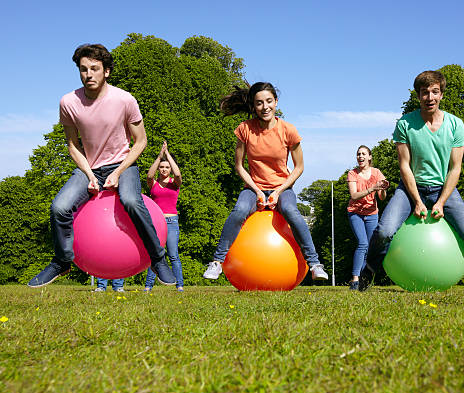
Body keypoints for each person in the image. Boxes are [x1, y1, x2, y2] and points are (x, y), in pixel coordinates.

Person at [27, 44, 175, 288]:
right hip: (90, 168)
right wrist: (89, 174)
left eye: (94, 69)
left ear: (106, 71)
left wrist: (118, 172)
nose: (88, 74)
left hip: (122, 164)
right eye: (83, 69)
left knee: (131, 201)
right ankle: (62, 261)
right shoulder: (68, 102)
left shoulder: (124, 99)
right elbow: (73, 146)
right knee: (59, 207)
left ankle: (157, 259)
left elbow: (141, 142)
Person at [361, 70, 464, 292]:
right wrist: (417, 201)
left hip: (444, 189)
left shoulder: (455, 124)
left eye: (435, 92)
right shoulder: (405, 124)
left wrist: (441, 202)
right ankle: (368, 272)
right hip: (409, 189)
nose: (430, 97)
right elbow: (404, 166)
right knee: (383, 231)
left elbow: (455, 168)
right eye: (425, 93)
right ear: (418, 95)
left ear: (441, 94)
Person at [203, 82, 328, 281]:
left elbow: (299, 167)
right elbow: (239, 167)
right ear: (254, 106)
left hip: (282, 186)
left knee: (291, 212)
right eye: (259, 103)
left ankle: (314, 264)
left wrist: (278, 191)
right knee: (240, 211)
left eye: (269, 101)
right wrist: (258, 191)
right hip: (254, 188)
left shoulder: (288, 130)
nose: (265, 107)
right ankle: (217, 262)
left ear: (276, 102)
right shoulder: (245, 129)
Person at [347, 145, 389, 290]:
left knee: (370, 248)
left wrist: (382, 189)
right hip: (355, 212)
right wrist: (372, 188)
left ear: (369, 157)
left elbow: (382, 197)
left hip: (372, 213)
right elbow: (354, 195)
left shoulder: (377, 172)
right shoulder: (352, 174)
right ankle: (355, 280)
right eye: (358, 154)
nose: (360, 156)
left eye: (363, 154)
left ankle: (364, 280)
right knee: (363, 244)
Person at [144, 141, 184, 292]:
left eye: (167, 167)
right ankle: (148, 286)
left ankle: (179, 285)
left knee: (173, 255)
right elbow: (149, 174)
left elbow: (178, 173)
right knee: (156, 256)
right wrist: (160, 157)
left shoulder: (175, 183)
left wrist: (167, 155)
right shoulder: (153, 183)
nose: (164, 169)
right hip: (156, 222)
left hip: (171, 221)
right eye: (162, 167)